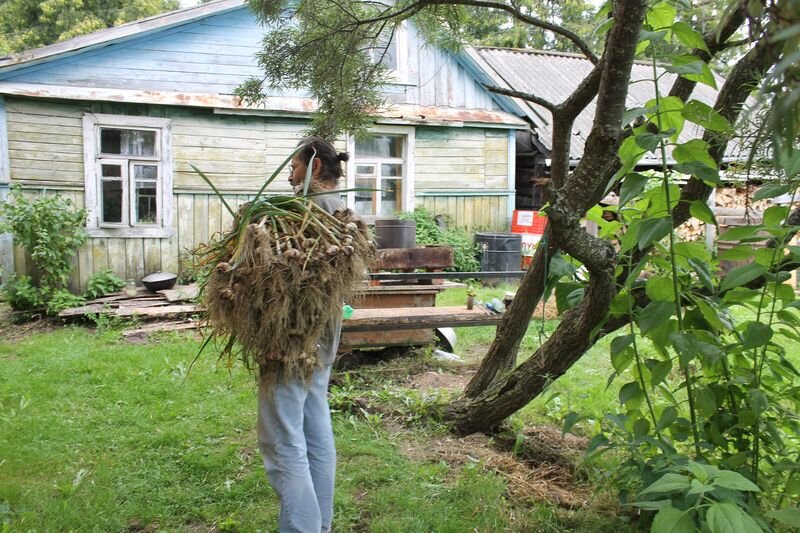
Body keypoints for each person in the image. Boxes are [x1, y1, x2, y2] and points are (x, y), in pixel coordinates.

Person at [256, 137, 348, 533]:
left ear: (314, 168)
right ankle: (320, 525)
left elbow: (278, 278)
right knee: (315, 434)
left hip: (291, 341)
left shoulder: (305, 213)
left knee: (283, 442)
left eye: (294, 167)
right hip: (324, 341)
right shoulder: (345, 211)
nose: (290, 175)